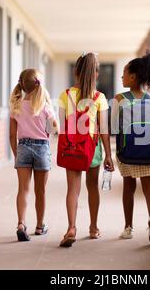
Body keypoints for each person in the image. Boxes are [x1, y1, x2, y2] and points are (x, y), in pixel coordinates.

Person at [111, 51, 150, 245]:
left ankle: (128, 228)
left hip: (128, 152)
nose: (122, 77)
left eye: (124, 73)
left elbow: (114, 127)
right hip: (149, 151)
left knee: (128, 188)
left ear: (133, 77)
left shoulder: (119, 99)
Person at [58, 53, 114, 247]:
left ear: (76, 72)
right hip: (92, 148)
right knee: (92, 188)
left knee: (72, 190)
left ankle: (71, 228)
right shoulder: (100, 97)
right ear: (96, 74)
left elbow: (62, 127)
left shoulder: (65, 95)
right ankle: (93, 228)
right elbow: (104, 129)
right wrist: (108, 154)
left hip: (72, 146)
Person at [9, 69, 58, 242]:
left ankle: (21, 224)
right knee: (40, 191)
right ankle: (39, 226)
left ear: (22, 85)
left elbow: (11, 135)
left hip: (23, 147)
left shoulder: (16, 106)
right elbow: (54, 129)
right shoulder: (44, 106)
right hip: (42, 148)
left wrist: (17, 154)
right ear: (38, 84)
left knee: (23, 189)